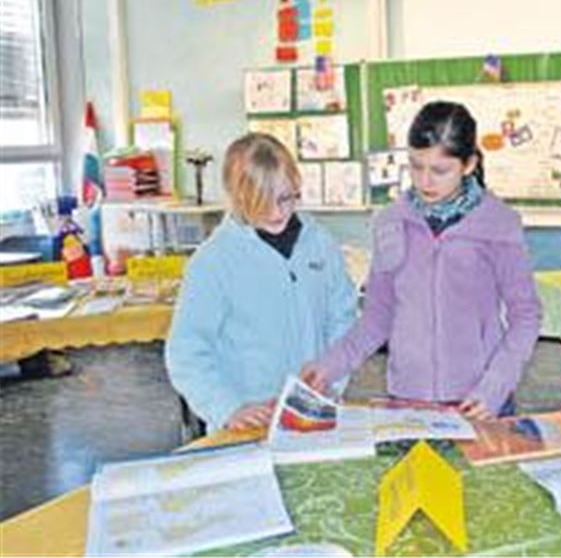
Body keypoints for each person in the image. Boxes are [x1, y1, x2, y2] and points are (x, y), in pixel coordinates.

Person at [302, 101, 541, 420]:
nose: (425, 181)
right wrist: (329, 366)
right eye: (416, 166)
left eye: (440, 170)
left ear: (468, 164)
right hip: (408, 399)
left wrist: (495, 387)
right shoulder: (390, 222)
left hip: (479, 399)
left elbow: (526, 315)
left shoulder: (498, 224)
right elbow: (377, 316)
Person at [166, 133, 358, 431]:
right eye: (260, 203)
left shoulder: (320, 243)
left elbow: (343, 318)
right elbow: (186, 351)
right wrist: (227, 408)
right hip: (249, 422)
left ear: (296, 183)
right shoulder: (213, 261)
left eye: (284, 198)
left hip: (316, 411)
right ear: (237, 198)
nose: (276, 212)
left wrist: (331, 376)